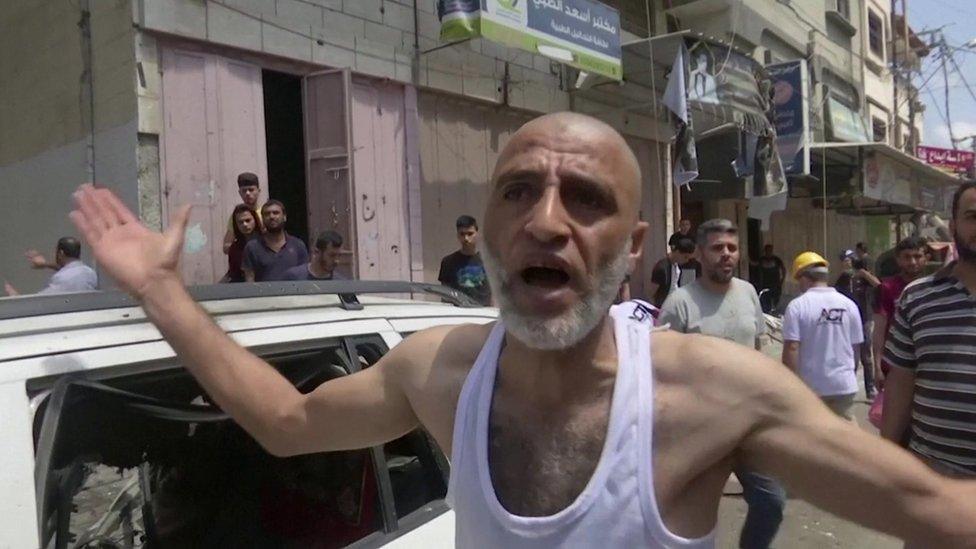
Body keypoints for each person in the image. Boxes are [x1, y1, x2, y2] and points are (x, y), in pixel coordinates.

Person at [68, 113, 976, 548]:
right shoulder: (439, 372)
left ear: (633, 246)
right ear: (492, 232)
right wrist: (160, 289)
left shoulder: (712, 395)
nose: (547, 222)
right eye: (519, 193)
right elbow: (285, 421)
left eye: (586, 200)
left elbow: (937, 511)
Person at [659, 219, 785, 549]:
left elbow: (756, 348)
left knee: (771, 503)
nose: (726, 255)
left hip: (747, 423)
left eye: (731, 247)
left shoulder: (747, 294)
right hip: (699, 428)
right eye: (717, 248)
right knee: (694, 518)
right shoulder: (680, 304)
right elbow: (662, 370)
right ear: (699, 254)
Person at [882, 181, 976, 484]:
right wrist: (886, 461)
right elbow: (900, 386)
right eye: (972, 216)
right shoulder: (918, 297)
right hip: (936, 476)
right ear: (953, 226)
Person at [783, 252, 863, 421]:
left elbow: (792, 347)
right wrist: (849, 373)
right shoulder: (849, 305)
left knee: (812, 438)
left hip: (811, 386)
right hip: (844, 385)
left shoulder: (797, 306)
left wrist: (789, 383)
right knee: (846, 437)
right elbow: (856, 347)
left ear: (803, 277)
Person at [872, 236, 927, 391]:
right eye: (907, 257)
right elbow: (879, 330)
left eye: (917, 256)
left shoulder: (935, 288)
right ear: (898, 260)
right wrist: (877, 367)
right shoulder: (886, 288)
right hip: (894, 367)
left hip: (926, 367)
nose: (913, 262)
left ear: (926, 258)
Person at [834, 249, 882, 398]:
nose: (847, 262)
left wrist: (864, 274)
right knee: (848, 354)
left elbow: (879, 286)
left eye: (849, 259)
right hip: (847, 320)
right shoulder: (843, 278)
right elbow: (835, 294)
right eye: (844, 260)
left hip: (864, 318)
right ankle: (849, 386)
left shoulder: (864, 276)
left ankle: (870, 388)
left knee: (866, 355)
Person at [3, 237, 98, 296]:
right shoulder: (90, 273)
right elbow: (72, 271)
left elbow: (39, 303)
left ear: (61, 253)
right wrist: (46, 264)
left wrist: (15, 297)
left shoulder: (61, 278)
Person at [242, 200, 308, 282]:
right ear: (262, 219)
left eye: (276, 213)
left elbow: (305, 277)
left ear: (284, 217)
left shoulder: (298, 245)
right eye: (267, 214)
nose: (271, 217)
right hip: (264, 294)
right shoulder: (252, 247)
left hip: (292, 294)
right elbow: (249, 280)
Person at [438, 215, 491, 306]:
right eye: (462, 234)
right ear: (457, 235)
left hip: (483, 314)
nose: (466, 238)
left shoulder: (489, 262)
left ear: (477, 234)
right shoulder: (448, 262)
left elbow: (494, 293)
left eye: (470, 234)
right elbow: (445, 295)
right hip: (459, 314)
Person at [648, 237, 696, 307]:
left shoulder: (676, 266)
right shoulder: (662, 268)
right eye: (685, 257)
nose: (686, 261)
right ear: (677, 252)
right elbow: (652, 292)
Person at [223, 172, 264, 255]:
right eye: (244, 191)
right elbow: (226, 247)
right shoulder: (236, 216)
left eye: (251, 190)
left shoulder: (266, 213)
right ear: (239, 193)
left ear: (258, 191)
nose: (248, 193)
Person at [221, 204, 259, 283]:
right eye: (240, 222)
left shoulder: (266, 242)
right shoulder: (235, 248)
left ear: (255, 220)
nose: (245, 225)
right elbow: (233, 274)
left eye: (248, 220)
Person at [753, 244, 786, 311]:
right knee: (766, 301)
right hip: (765, 285)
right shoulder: (762, 260)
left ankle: (774, 310)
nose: (768, 252)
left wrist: (782, 280)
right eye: (767, 250)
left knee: (776, 299)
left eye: (770, 250)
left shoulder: (776, 260)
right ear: (765, 251)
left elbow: (783, 270)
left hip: (775, 284)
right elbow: (754, 264)